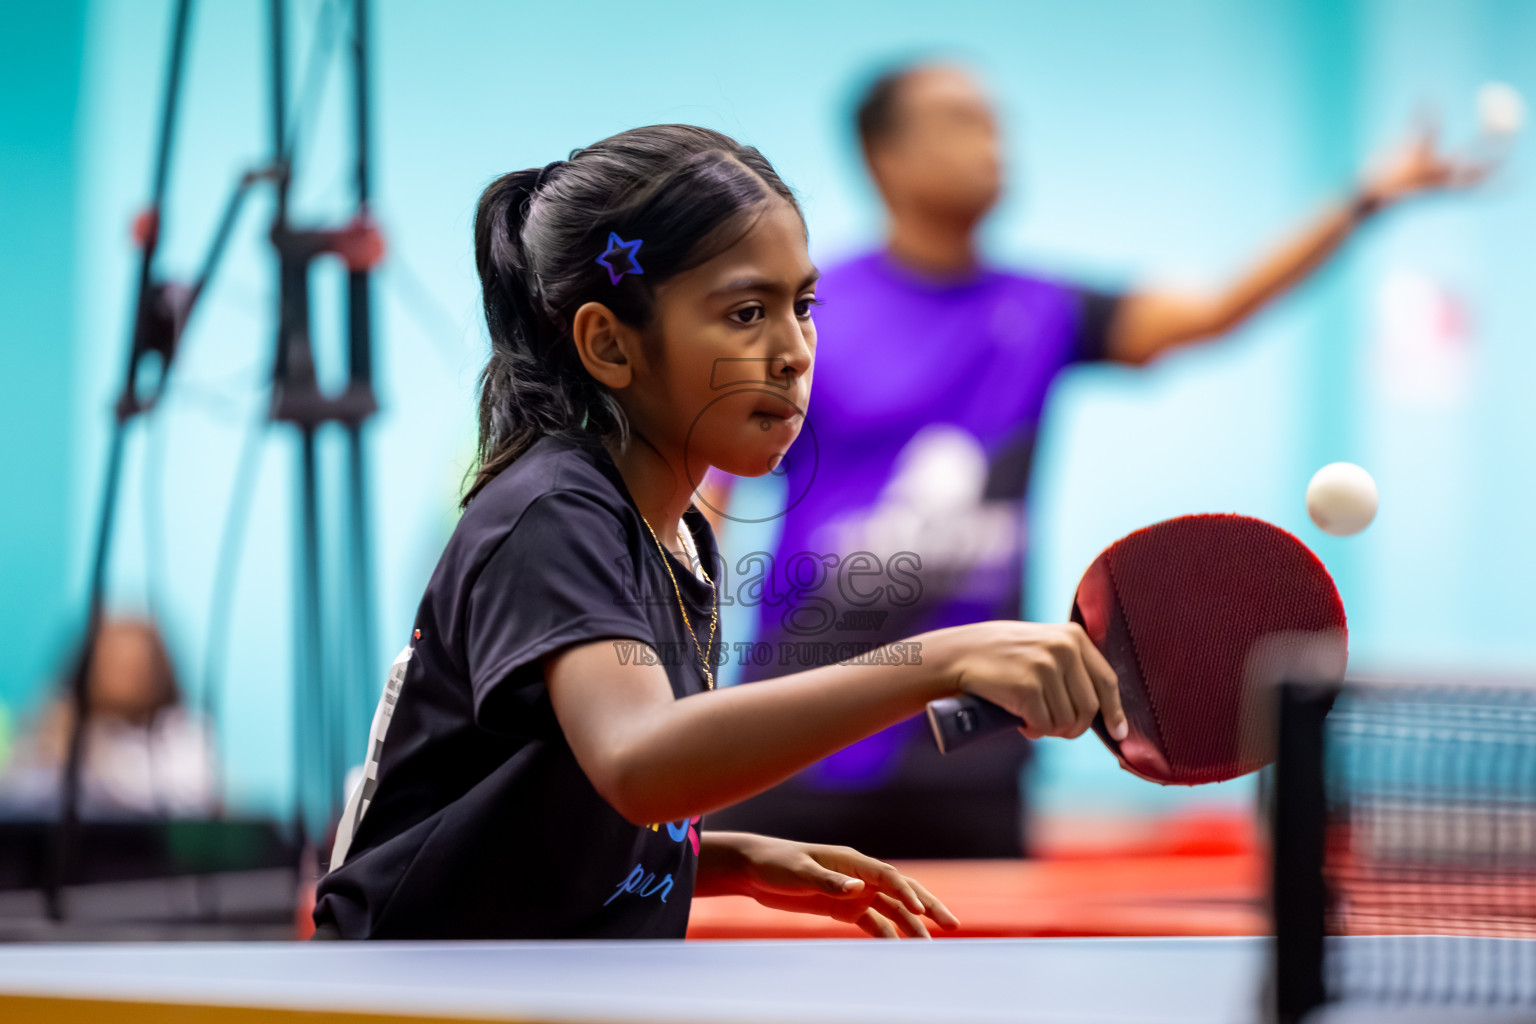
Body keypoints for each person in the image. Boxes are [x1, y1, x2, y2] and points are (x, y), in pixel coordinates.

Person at [311, 124, 1127, 940]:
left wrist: (723, 859)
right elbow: (639, 761)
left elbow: (553, 797)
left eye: (802, 306)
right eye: (745, 312)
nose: (794, 352)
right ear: (608, 343)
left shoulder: (673, 538)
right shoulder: (555, 512)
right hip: (409, 991)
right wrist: (939, 659)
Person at [702, 60, 1493, 858]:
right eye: (961, 121)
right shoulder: (810, 318)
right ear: (885, 158)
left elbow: (1214, 310)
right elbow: (712, 492)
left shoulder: (1041, 310)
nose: (994, 144)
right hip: (799, 741)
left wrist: (1364, 200)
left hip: (971, 751)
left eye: (996, 122)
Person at [0, 617, 219, 817]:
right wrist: (50, 752)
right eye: (112, 662)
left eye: (132, 666)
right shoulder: (54, 728)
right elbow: (17, 797)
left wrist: (96, 760)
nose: (122, 677)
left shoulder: (183, 736)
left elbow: (186, 795)